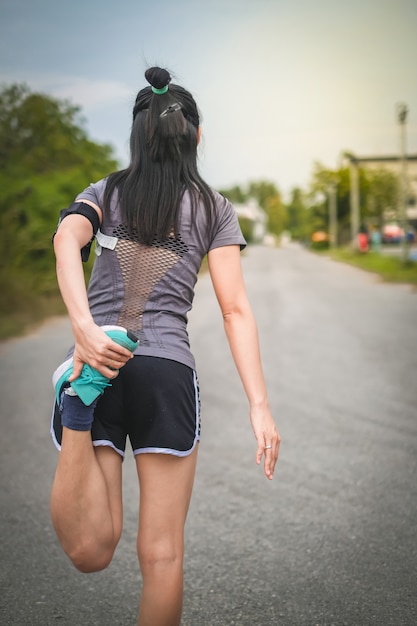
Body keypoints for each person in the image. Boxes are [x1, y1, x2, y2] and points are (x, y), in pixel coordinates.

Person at [50, 66, 280, 626]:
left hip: (98, 361)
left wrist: (83, 328)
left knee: (91, 550)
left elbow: (65, 238)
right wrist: (259, 404)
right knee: (162, 555)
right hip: (166, 373)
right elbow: (234, 309)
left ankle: (78, 411)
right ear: (197, 137)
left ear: (137, 135)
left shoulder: (105, 191)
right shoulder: (214, 207)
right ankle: (81, 403)